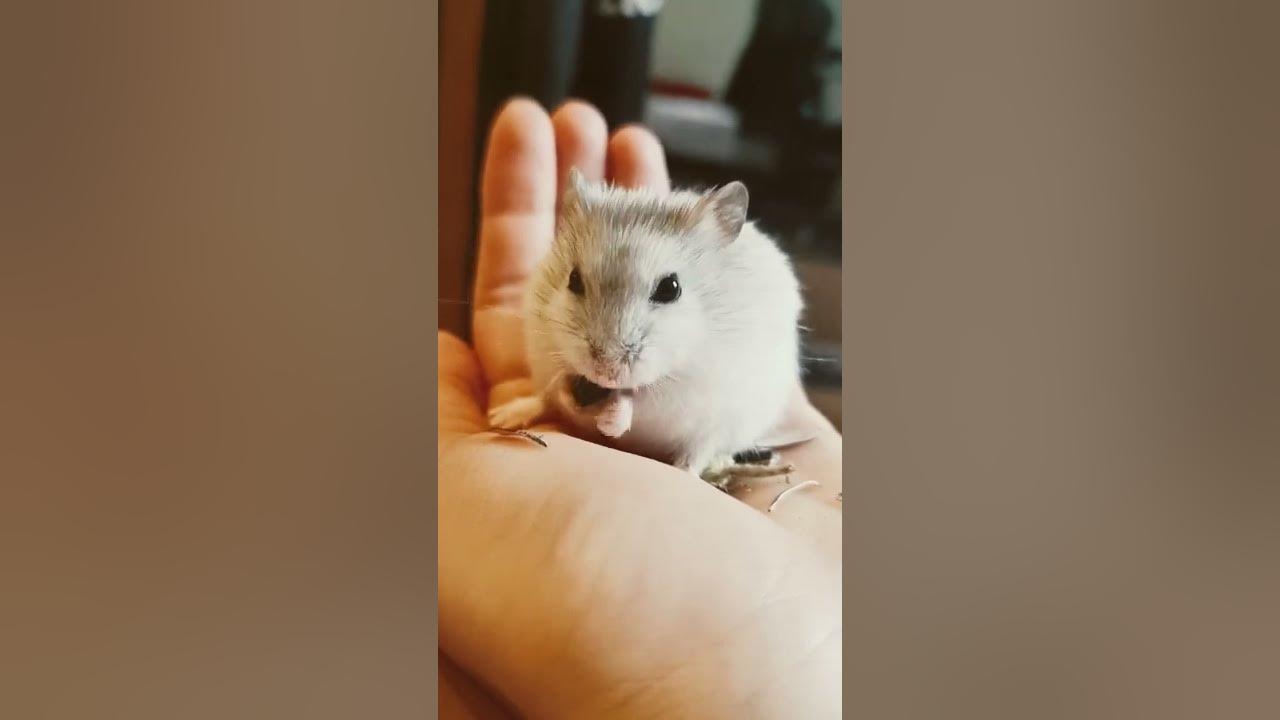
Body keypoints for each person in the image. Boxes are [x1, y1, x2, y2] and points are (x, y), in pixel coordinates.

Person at [438, 97, 843, 718]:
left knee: (694, 427)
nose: (609, 352)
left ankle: (696, 458)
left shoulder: (743, 319)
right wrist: (560, 393)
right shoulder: (554, 304)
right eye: (580, 286)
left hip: (715, 424)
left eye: (665, 291)